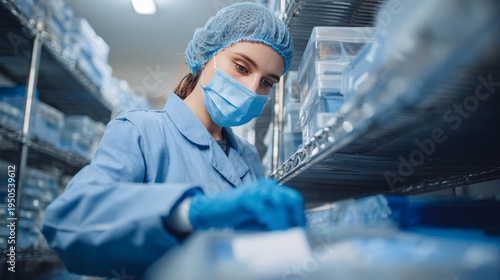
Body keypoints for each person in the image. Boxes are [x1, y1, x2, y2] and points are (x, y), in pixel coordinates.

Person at [41, 2, 306, 278]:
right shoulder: (141, 131)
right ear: (207, 56)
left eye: (267, 82)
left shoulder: (248, 156)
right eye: (241, 67)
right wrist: (186, 212)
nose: (252, 89)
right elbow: (67, 223)